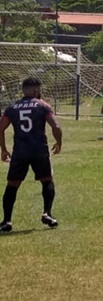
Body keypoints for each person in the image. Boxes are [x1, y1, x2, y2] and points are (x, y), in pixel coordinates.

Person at [0, 76, 63, 233]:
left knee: (12, 185)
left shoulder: (12, 107)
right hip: (39, 150)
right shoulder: (43, 106)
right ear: (36, 90)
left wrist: (3, 149)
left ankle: (6, 221)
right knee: (47, 181)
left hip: (20, 151)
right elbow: (56, 126)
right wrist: (59, 142)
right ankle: (47, 213)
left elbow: (0, 128)